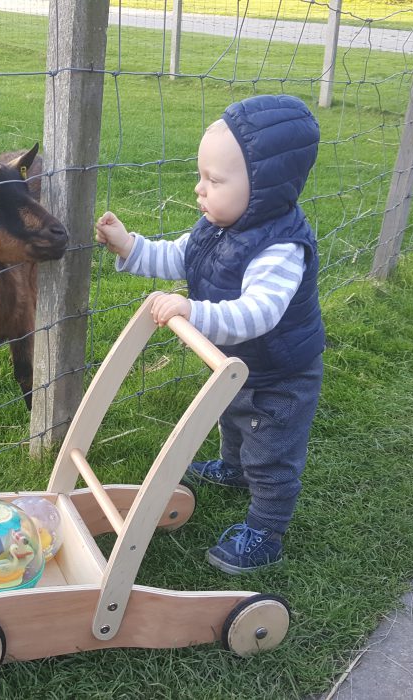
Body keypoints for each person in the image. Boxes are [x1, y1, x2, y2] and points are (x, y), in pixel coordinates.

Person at [95, 94, 325, 575]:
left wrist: (193, 310)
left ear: (264, 187)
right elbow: (178, 257)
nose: (200, 189)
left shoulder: (281, 247)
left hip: (280, 372)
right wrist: (131, 247)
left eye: (214, 180)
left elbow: (258, 314)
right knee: (232, 419)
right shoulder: (215, 227)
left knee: (270, 448)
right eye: (201, 176)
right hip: (240, 366)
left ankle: (266, 528)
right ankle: (232, 469)